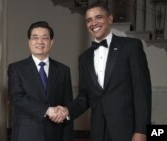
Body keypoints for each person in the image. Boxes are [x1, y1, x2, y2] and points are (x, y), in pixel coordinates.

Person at [54, 2, 152, 141]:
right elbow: (84, 96)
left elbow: (141, 91)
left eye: (98, 17)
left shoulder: (131, 47)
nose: (93, 23)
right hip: (98, 131)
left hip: (127, 130)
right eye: (89, 20)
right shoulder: (84, 58)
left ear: (110, 19)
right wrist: (67, 111)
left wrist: (141, 130)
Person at [8, 21, 73, 141]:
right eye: (35, 37)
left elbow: (67, 104)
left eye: (45, 38)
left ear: (51, 42)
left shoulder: (63, 70)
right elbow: (17, 98)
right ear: (29, 42)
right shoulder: (16, 68)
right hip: (26, 133)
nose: (40, 42)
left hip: (55, 133)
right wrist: (47, 110)